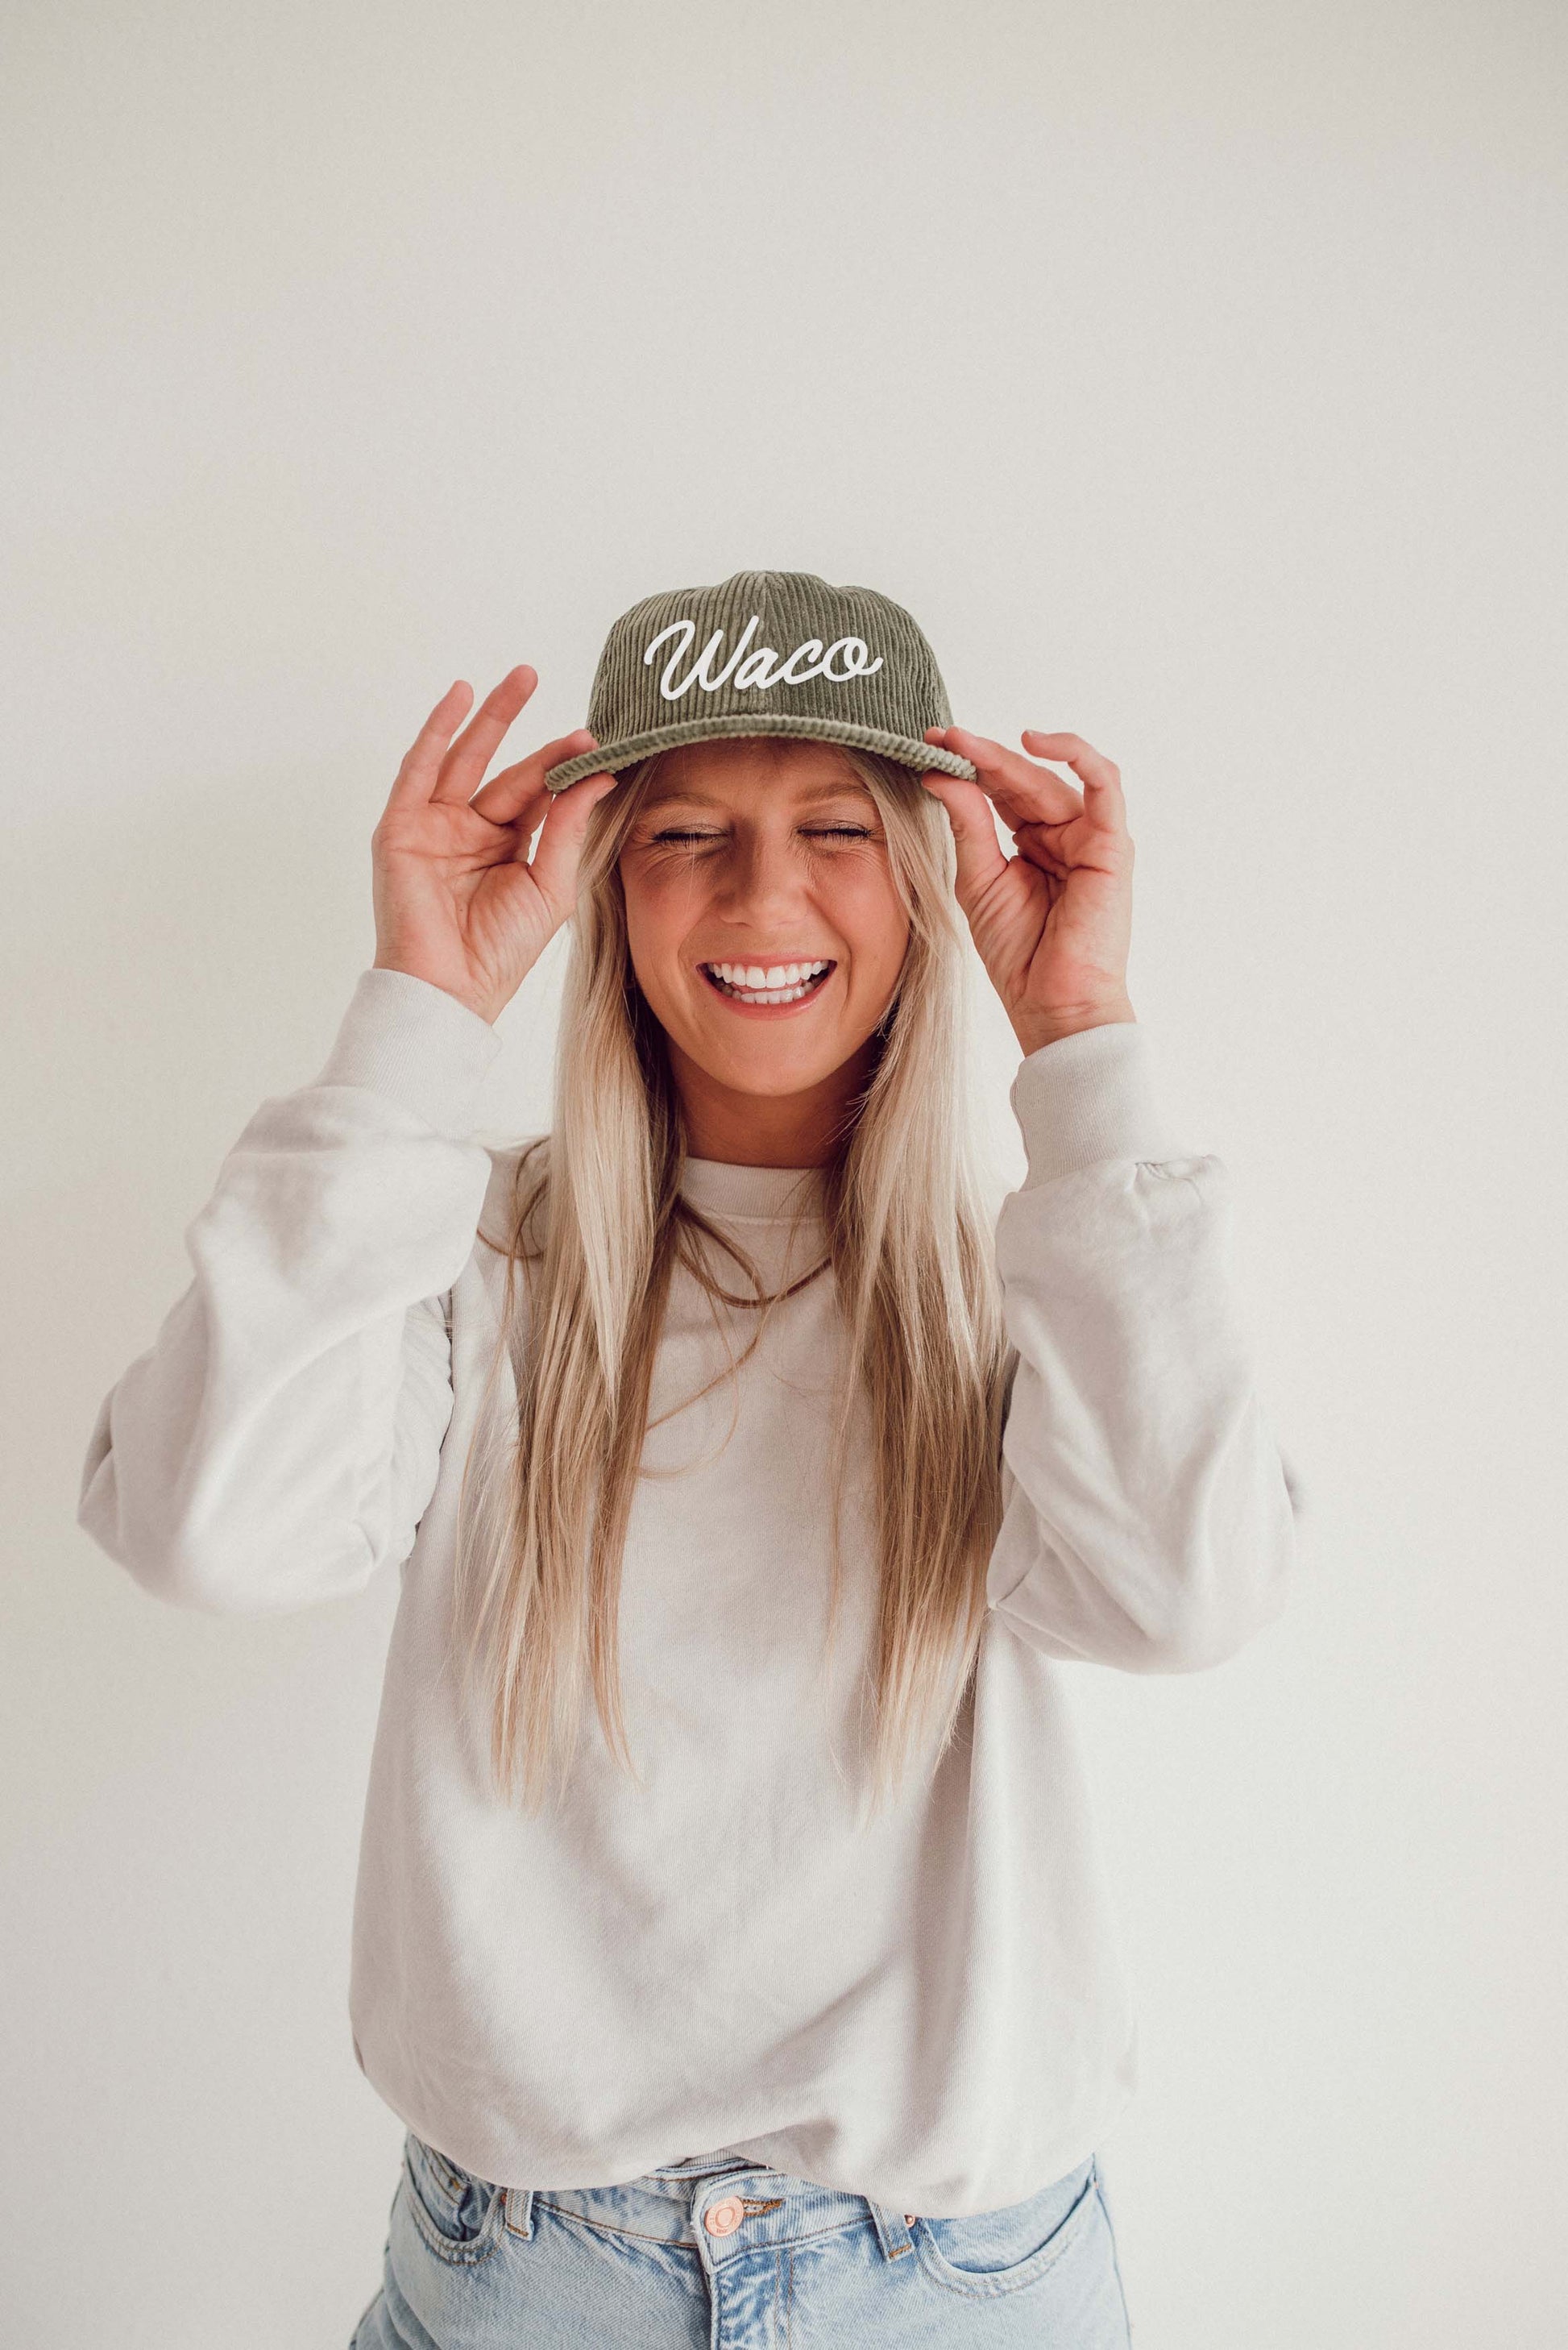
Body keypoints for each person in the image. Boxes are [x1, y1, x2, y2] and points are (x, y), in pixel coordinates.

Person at [77, 571, 1304, 2348]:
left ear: (927, 877)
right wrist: (420, 1007)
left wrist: (1081, 1037)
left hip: (960, 2283)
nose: (761, 892)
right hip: (527, 2275)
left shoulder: (1036, 1282)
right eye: (683, 833)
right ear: (602, 884)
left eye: (836, 828)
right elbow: (209, 1532)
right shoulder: (462, 1256)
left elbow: (1186, 1597)